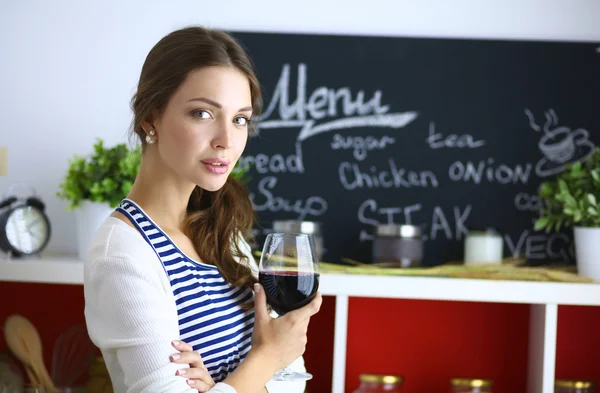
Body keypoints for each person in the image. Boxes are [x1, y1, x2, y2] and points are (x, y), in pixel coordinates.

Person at [83, 26, 322, 393]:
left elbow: (292, 380)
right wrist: (265, 360)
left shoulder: (223, 230)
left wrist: (221, 386)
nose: (227, 140)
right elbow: (278, 358)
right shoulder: (124, 255)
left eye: (240, 119)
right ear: (151, 119)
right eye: (202, 114)